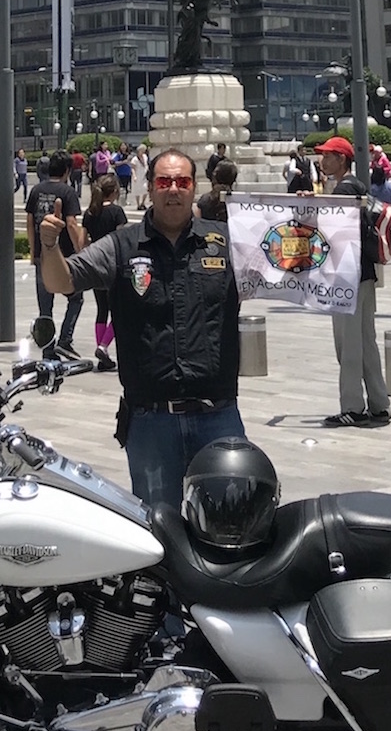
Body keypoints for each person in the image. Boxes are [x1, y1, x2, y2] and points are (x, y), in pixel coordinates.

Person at [39, 146, 244, 505]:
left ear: (194, 187)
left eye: (182, 181)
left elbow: (288, 261)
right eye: (164, 181)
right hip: (152, 422)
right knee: (157, 535)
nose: (173, 189)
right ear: (149, 187)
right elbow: (61, 281)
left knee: (229, 528)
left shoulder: (226, 242)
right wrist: (50, 245)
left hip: (218, 416)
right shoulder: (122, 246)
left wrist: (304, 218)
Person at [317, 136, 389, 428]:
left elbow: (332, 230)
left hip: (347, 275)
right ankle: (379, 403)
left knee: (347, 343)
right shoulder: (358, 186)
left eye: (327, 156)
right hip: (364, 273)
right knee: (365, 340)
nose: (322, 160)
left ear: (342, 159)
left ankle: (352, 406)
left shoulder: (345, 188)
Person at [28, 152, 85, 352]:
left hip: (41, 255)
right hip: (64, 257)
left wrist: (32, 251)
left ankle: (48, 348)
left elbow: (29, 223)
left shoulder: (36, 190)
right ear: (67, 170)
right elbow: (71, 224)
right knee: (76, 298)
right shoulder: (68, 192)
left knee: (45, 307)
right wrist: (81, 250)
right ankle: (65, 339)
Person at [84, 170, 128, 369]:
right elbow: (123, 239)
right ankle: (103, 346)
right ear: (115, 191)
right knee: (120, 311)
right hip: (113, 265)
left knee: (102, 310)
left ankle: (102, 353)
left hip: (95, 264)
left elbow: (82, 241)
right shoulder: (117, 212)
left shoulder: (90, 212)